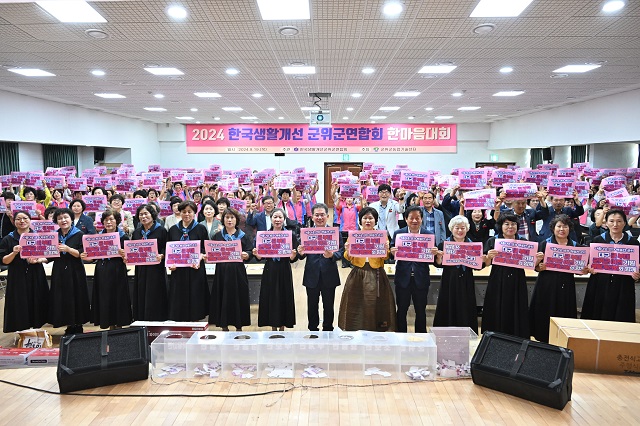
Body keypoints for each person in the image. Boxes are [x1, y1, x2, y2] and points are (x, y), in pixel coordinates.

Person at [529, 215, 587, 343]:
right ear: (553, 228)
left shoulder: (576, 246)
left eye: (565, 226)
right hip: (546, 284)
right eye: (559, 226)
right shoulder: (545, 243)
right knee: (544, 310)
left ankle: (562, 339)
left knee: (564, 311)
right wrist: (539, 266)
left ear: (569, 228)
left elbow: (579, 270)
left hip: (566, 284)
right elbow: (535, 267)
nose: (562, 229)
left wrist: (582, 271)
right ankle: (543, 338)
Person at [483, 213, 542, 338]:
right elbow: (487, 264)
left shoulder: (523, 242)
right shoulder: (493, 241)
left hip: (517, 278)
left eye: (513, 224)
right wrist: (489, 257)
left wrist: (537, 260)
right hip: (498, 278)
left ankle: (516, 336)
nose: (510, 227)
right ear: (500, 226)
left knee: (516, 306)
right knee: (496, 305)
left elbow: (530, 265)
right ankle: (495, 336)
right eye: (507, 224)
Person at [338, 206, 396, 332]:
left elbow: (385, 257)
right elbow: (347, 257)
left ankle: (376, 329)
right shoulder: (354, 235)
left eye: (371, 218)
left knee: (375, 304)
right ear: (360, 220)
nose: (368, 221)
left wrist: (387, 249)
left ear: (375, 220)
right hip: (358, 272)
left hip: (377, 273)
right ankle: (355, 329)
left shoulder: (382, 236)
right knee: (356, 303)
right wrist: (347, 250)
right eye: (365, 218)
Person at [582, 209, 640, 322]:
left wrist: (638, 275)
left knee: (621, 317)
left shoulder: (633, 243)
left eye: (619, 221)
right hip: (599, 284)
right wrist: (589, 268)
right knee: (597, 315)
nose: (615, 224)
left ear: (625, 223)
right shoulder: (597, 240)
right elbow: (588, 264)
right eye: (611, 221)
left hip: (623, 285)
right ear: (606, 223)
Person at [297, 203, 344, 331]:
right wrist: (300, 253)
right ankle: (312, 328)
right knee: (312, 305)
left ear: (327, 216)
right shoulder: (306, 233)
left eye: (322, 215)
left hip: (329, 274)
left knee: (328, 305)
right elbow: (301, 254)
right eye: (316, 215)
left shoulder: (334, 233)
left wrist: (332, 255)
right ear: (312, 217)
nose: (319, 217)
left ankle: (328, 328)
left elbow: (341, 251)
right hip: (311, 274)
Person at [0, 210, 49, 332]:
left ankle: (37, 329)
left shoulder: (39, 237)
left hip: (36, 272)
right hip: (17, 275)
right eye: (18, 219)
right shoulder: (8, 239)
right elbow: (5, 261)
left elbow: (49, 255)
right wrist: (14, 252)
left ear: (30, 220)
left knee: (37, 299)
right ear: (13, 221)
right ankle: (22, 330)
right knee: (19, 301)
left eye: (25, 218)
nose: (22, 221)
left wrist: (39, 260)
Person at [82, 210, 132, 329]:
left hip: (117, 269)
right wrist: (87, 257)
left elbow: (129, 258)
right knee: (104, 297)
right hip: (102, 269)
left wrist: (124, 255)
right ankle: (109, 326)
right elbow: (92, 257)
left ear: (117, 221)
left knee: (118, 298)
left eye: (111, 219)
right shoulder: (97, 238)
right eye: (106, 220)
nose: (108, 222)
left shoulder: (123, 237)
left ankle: (119, 327)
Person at [432, 215, 481, 334]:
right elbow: (438, 264)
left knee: (466, 305)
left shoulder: (473, 245)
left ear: (467, 229)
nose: (460, 231)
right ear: (451, 229)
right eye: (457, 228)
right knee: (448, 304)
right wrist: (438, 257)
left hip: (466, 279)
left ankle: (467, 334)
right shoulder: (444, 244)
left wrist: (482, 260)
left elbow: (478, 266)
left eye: (462, 228)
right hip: (449, 279)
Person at [253, 208, 298, 330]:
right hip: (270, 268)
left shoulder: (290, 235)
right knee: (271, 296)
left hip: (284, 268)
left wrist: (293, 257)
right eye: (275, 217)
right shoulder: (264, 235)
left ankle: (282, 326)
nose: (277, 220)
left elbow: (294, 257)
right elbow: (259, 255)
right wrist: (257, 255)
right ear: (271, 219)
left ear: (284, 220)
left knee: (284, 296)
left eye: (280, 217)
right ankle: (273, 326)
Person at [390, 205, 433, 333]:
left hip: (421, 278)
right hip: (403, 278)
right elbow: (392, 253)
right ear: (406, 219)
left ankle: (421, 337)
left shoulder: (428, 235)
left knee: (420, 310)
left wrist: (434, 252)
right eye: (411, 218)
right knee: (402, 309)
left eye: (417, 218)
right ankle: (400, 336)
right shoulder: (399, 233)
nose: (414, 221)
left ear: (422, 219)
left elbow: (432, 256)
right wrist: (392, 252)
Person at [209, 208, 253, 331]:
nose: (229, 220)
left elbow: (250, 250)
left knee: (238, 297)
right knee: (223, 297)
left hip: (237, 272)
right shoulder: (217, 236)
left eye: (232, 217)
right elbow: (211, 252)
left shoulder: (243, 236)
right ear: (223, 220)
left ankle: (239, 326)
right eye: (227, 217)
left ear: (236, 219)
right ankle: (224, 325)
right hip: (222, 272)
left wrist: (247, 254)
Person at [48, 208, 90, 335]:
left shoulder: (80, 235)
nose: (63, 220)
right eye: (60, 218)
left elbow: (83, 254)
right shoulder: (55, 235)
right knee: (62, 297)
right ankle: (68, 324)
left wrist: (68, 249)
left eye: (66, 217)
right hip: (59, 270)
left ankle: (78, 325)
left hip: (75, 270)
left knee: (77, 296)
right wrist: (40, 259)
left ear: (72, 219)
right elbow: (50, 254)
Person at [166, 200, 209, 321]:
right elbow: (169, 248)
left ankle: (196, 319)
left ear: (194, 213)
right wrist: (170, 264)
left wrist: (200, 257)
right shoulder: (173, 229)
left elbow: (205, 248)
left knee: (196, 293)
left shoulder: (201, 228)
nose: (187, 214)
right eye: (184, 212)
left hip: (196, 268)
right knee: (179, 294)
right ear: (179, 213)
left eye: (190, 212)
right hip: (178, 269)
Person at [129, 204, 168, 321]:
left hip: (156, 269)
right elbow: (132, 249)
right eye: (141, 214)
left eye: (146, 213)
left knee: (155, 293)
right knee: (141, 292)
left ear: (152, 215)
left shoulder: (161, 230)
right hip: (141, 268)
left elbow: (166, 247)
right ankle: (141, 319)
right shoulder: (137, 232)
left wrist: (162, 255)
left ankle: (157, 319)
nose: (143, 216)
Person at [336, 196, 360, 268]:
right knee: (344, 247)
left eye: (351, 198)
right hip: (344, 229)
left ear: (353, 199)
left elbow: (362, 208)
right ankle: (344, 263)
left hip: (354, 229)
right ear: (345, 200)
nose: (349, 200)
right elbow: (337, 206)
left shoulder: (355, 207)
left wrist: (361, 199)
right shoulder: (342, 207)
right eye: (348, 198)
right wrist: (339, 199)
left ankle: (352, 262)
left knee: (353, 246)